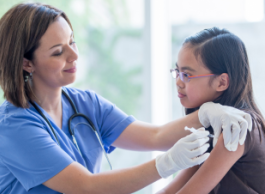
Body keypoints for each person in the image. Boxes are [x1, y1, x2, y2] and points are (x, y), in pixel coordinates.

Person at [0, 4, 251, 194]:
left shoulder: (85, 103)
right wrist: (167, 163)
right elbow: (85, 186)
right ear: (26, 63)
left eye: (72, 42)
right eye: (58, 51)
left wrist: (207, 112)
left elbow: (155, 136)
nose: (74, 55)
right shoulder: (13, 127)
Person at [156, 27, 265, 194]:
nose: (178, 81)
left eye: (187, 75)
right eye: (177, 72)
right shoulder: (211, 129)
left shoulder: (237, 128)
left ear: (221, 82)